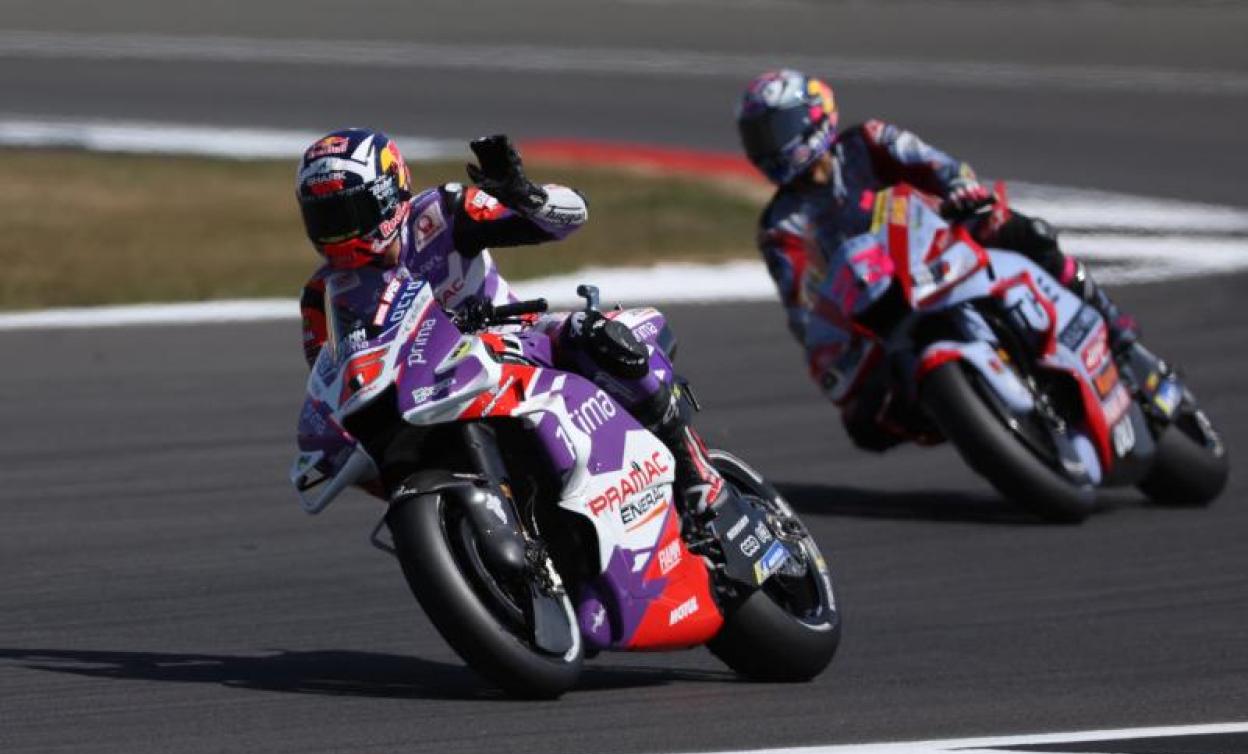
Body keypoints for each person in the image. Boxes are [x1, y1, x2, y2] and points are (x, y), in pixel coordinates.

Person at [296, 128, 726, 517]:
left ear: (389, 195)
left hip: (512, 339)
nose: (338, 231)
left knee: (595, 335)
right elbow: (333, 378)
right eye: (325, 219)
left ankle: (692, 465)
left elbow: (572, 216)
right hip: (421, 397)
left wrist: (525, 196)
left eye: (348, 212)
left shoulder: (439, 214)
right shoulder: (323, 296)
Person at [735, 69, 1141, 450]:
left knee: (1028, 233)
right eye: (756, 138)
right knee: (863, 424)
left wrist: (961, 190)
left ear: (812, 118)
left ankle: (1117, 331)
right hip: (881, 313)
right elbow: (804, 309)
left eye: (774, 131)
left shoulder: (868, 142)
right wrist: (835, 344)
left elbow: (939, 166)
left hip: (944, 248)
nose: (766, 147)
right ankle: (959, 411)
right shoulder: (779, 227)